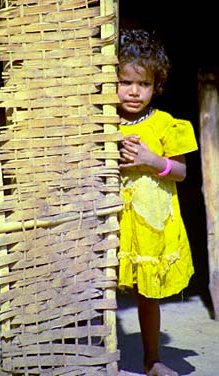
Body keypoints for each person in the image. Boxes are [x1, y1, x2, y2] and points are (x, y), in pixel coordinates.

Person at [116, 29, 198, 376]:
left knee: (147, 294)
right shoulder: (101, 123)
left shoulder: (166, 124)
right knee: (96, 291)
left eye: (144, 84)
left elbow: (180, 171)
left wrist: (153, 161)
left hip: (148, 225)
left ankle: (152, 360)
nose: (135, 92)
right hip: (110, 223)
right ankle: (102, 357)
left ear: (156, 85)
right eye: (125, 82)